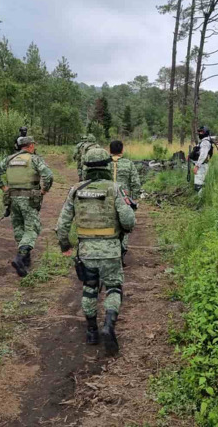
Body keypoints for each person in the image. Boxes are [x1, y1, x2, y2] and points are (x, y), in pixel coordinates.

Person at [56, 147, 136, 355]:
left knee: (89, 288)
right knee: (113, 288)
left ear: (85, 167)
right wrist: (124, 230)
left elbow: (63, 223)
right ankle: (109, 325)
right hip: (110, 250)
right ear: (108, 165)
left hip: (86, 251)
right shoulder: (115, 188)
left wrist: (65, 244)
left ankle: (91, 331)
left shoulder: (75, 189)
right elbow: (128, 221)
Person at [0, 136, 53, 277]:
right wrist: (44, 190)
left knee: (18, 226)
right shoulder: (35, 159)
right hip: (29, 198)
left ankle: (25, 258)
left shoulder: (9, 159)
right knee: (32, 228)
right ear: (30, 146)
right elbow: (48, 175)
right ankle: (20, 257)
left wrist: (4, 188)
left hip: (12, 197)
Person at [109, 140, 141, 266]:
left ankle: (110, 252)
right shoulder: (129, 164)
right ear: (122, 150)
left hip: (107, 197)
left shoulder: (105, 164)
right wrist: (134, 198)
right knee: (125, 226)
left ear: (109, 150)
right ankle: (121, 253)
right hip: (125, 198)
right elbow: (136, 183)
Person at [191, 126, 214, 194]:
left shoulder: (205, 142)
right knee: (200, 183)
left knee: (198, 185)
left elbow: (203, 155)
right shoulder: (204, 141)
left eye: (201, 132)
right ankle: (200, 198)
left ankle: (199, 200)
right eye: (199, 132)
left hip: (201, 166)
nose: (199, 133)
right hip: (201, 165)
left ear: (205, 132)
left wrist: (197, 166)